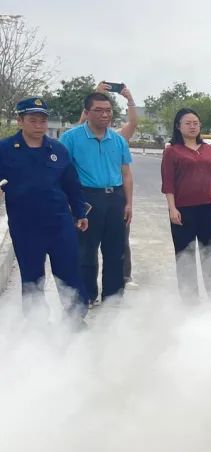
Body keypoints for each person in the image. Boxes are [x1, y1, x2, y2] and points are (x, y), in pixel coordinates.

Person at [0, 98, 89, 324]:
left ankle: (75, 320)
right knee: (32, 277)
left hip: (59, 223)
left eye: (43, 120)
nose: (39, 125)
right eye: (33, 120)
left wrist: (80, 212)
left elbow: (72, 184)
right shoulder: (5, 149)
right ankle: (36, 323)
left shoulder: (57, 149)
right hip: (25, 226)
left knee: (69, 273)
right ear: (20, 120)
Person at [60, 91, 134, 305]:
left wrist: (129, 203)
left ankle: (113, 296)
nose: (105, 115)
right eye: (98, 110)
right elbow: (63, 173)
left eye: (108, 110)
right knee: (85, 250)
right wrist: (70, 203)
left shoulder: (118, 140)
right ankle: (87, 296)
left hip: (115, 198)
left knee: (116, 249)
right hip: (86, 199)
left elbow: (126, 173)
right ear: (87, 112)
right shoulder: (71, 138)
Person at [160, 108, 211, 302]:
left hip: (207, 209)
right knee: (185, 254)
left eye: (195, 123)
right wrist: (172, 208)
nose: (192, 127)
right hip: (182, 211)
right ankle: (190, 300)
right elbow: (168, 183)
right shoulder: (172, 151)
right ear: (178, 126)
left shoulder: (208, 150)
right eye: (188, 123)